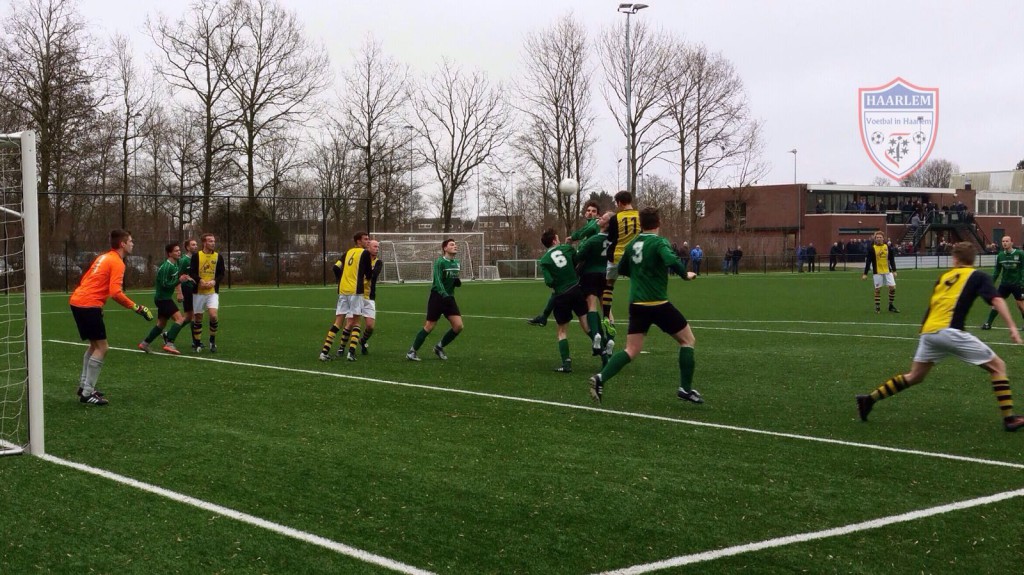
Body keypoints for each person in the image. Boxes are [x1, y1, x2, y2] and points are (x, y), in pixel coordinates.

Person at [856, 242, 1024, 432]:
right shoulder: (977, 275)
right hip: (949, 331)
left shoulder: (944, 277)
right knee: (998, 366)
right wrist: (1012, 326)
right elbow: (996, 299)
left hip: (928, 331)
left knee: (915, 376)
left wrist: (926, 334)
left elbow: (933, 306)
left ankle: (868, 400)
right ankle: (1009, 419)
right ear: (972, 259)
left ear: (955, 259)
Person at [588, 208, 701, 405]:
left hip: (637, 304)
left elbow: (622, 267)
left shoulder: (633, 244)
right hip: (658, 303)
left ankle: (600, 378)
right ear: (658, 223)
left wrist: (639, 275)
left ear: (640, 224)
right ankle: (685, 388)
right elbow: (671, 259)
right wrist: (685, 274)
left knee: (631, 350)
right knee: (688, 341)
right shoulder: (659, 242)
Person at [69, 229, 154, 406]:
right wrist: (137, 307)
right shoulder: (117, 262)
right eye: (130, 241)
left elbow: (87, 279)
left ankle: (84, 386)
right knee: (102, 347)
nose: (133, 243)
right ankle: (86, 393)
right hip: (88, 304)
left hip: (79, 301)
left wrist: (98, 304)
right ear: (122, 244)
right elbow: (115, 293)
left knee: (94, 346)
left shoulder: (103, 257)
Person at [528, 200, 600, 327]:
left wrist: (572, 238)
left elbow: (584, 233)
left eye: (594, 211)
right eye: (588, 210)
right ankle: (544, 316)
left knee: (585, 302)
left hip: (589, 265)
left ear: (598, 214)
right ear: (584, 213)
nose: (590, 213)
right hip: (582, 264)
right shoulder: (587, 226)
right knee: (576, 297)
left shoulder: (594, 224)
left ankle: (600, 336)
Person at [538, 228, 594, 373]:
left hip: (562, 295)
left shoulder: (544, 261)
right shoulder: (566, 248)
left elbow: (549, 282)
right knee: (586, 325)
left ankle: (566, 363)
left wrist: (557, 282)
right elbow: (576, 260)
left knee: (562, 331)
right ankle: (601, 347)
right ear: (555, 241)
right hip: (576, 289)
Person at [318, 232, 372, 361]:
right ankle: (351, 352)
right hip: (355, 291)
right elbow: (369, 274)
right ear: (358, 241)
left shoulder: (347, 252)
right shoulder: (364, 253)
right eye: (366, 239)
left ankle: (324, 352)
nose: (368, 241)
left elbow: (336, 267)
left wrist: (341, 279)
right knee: (356, 321)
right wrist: (364, 279)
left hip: (343, 290)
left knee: (338, 322)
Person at [407, 238, 463, 361]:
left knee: (458, 326)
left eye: (455, 244)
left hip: (449, 297)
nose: (455, 246)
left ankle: (439, 347)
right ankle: (412, 351)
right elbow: (437, 280)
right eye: (452, 245)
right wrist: (443, 294)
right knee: (429, 326)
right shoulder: (439, 262)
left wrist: (456, 282)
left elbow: (452, 279)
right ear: (445, 248)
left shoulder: (457, 263)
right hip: (437, 297)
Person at [137, 242, 192, 355]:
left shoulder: (175, 264)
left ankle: (145, 343)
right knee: (180, 319)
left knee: (161, 324)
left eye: (179, 250)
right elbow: (165, 284)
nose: (179, 252)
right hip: (163, 299)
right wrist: (179, 280)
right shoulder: (166, 267)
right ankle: (169, 343)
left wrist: (185, 279)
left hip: (164, 298)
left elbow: (175, 279)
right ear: (169, 253)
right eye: (176, 251)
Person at [575, 213, 616, 362]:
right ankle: (610, 337)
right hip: (606, 275)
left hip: (590, 275)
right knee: (607, 307)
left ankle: (597, 335)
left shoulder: (593, 240)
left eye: (603, 218)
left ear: (605, 225)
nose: (599, 218)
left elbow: (579, 256)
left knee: (591, 304)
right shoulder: (614, 241)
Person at [603, 191, 640, 323]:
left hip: (616, 256)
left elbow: (611, 238)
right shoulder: (639, 216)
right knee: (637, 284)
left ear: (619, 202)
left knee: (609, 285)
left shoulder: (615, 218)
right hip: (634, 256)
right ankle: (638, 314)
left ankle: (606, 316)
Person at [189, 232, 226, 352]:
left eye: (214, 241)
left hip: (212, 292)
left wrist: (214, 282)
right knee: (198, 318)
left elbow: (221, 274)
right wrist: (200, 281)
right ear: (204, 242)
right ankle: (198, 343)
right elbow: (192, 273)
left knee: (213, 315)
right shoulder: (196, 256)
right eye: (210, 241)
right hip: (198, 292)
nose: (213, 243)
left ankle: (212, 341)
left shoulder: (218, 257)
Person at [981, 235, 1024, 330]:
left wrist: (1022, 282)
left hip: (1017, 284)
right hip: (1004, 284)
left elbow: (1023, 269)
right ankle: (988, 324)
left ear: (1012, 242)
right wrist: (991, 283)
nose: (1004, 243)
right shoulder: (1000, 255)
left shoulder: (1020, 254)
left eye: (1007, 241)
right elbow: (997, 271)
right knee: (996, 302)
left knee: (1020, 305)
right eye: (1003, 241)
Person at [861, 231, 898, 313]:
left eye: (880, 237)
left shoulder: (887, 247)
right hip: (877, 272)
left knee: (893, 287)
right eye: (877, 237)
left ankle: (890, 306)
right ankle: (877, 307)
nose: (878, 239)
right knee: (877, 289)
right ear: (875, 239)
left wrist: (894, 270)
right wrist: (865, 274)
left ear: (883, 238)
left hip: (888, 271)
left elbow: (891, 259)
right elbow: (868, 262)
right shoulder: (872, 248)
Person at [358, 239, 383, 355]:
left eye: (378, 247)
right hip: (357, 295)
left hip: (370, 297)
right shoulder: (360, 259)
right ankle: (343, 348)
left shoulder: (378, 262)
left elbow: (373, 275)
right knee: (352, 323)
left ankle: (363, 341)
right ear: (368, 247)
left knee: (370, 326)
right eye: (374, 247)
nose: (377, 249)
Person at [177, 238, 198, 333]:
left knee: (189, 317)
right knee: (194, 315)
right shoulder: (184, 260)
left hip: (195, 289)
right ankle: (196, 342)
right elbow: (178, 276)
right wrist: (179, 292)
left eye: (196, 244)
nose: (195, 246)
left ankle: (168, 334)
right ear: (187, 247)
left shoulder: (196, 258)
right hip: (187, 289)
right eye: (193, 245)